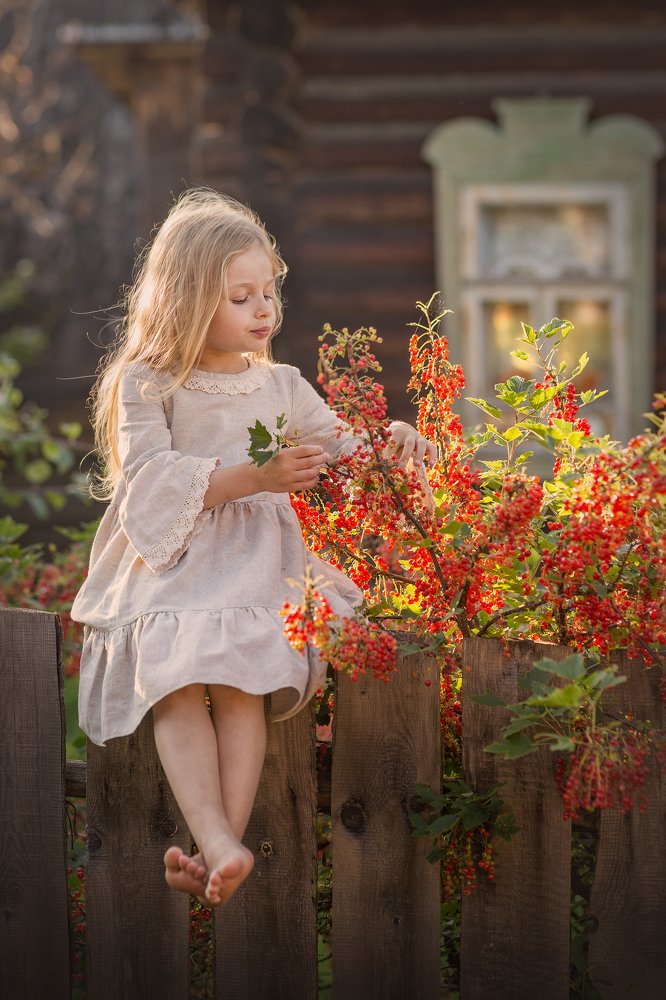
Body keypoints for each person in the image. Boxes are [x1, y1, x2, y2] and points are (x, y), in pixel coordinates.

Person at [70, 188, 435, 907]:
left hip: (253, 565)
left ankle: (219, 849)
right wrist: (253, 476)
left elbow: (340, 449)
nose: (264, 309)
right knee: (175, 682)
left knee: (240, 690)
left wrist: (388, 444)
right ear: (185, 300)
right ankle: (215, 844)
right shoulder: (147, 383)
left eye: (269, 291)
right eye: (241, 296)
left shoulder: (282, 385)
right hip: (170, 561)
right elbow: (145, 481)